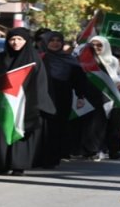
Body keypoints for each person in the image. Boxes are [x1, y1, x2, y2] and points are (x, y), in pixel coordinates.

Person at [0, 27, 53, 175]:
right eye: (12, 39)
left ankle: (18, 165)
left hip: (26, 102)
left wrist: (36, 103)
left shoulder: (33, 59)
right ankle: (2, 164)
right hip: (5, 102)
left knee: (21, 131)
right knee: (3, 132)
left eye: (19, 39)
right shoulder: (1, 58)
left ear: (26, 41)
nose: (15, 42)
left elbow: (39, 82)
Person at [36, 31, 100, 168]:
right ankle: (37, 157)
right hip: (40, 97)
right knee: (41, 127)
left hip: (61, 97)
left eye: (58, 40)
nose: (55, 43)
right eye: (51, 40)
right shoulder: (39, 57)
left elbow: (79, 79)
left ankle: (53, 158)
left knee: (57, 128)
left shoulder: (69, 59)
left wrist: (81, 96)